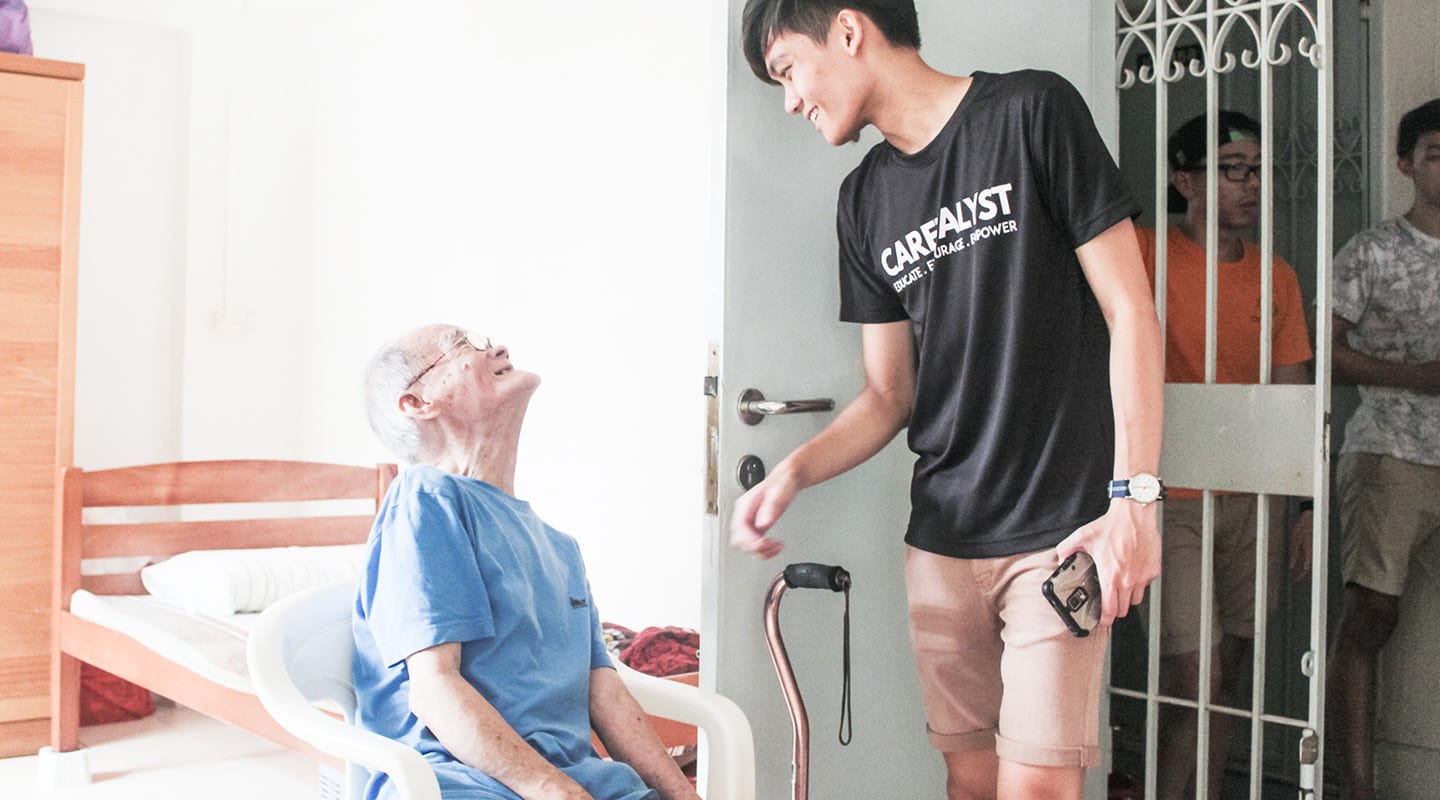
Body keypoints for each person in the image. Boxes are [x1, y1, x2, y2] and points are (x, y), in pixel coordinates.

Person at [731, 3, 1165, 799]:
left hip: (1058, 527)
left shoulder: (1033, 111)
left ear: (849, 30)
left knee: (1037, 787)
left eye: (789, 69)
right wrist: (791, 473)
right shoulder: (862, 202)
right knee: (969, 783)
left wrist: (1136, 496)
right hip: (941, 542)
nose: (790, 100)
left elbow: (1131, 311)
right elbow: (889, 394)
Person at [353, 324, 700, 800]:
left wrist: (684, 795)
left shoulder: (560, 547)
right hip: (455, 783)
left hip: (576, 783)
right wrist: (556, 791)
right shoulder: (426, 497)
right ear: (418, 403)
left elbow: (605, 692)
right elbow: (434, 688)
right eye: (462, 345)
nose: (496, 347)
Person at [1137, 111, 1315, 799]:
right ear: (1185, 180)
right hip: (1168, 495)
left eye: (1257, 170)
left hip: (1253, 496)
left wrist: (1299, 503)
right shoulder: (1148, 254)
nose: (1250, 184)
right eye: (1231, 168)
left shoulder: (1276, 278)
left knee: (1229, 674)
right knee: (1195, 677)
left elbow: (1290, 394)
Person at [1327, 97, 1440, 800]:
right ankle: (1357, 786)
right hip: (1390, 450)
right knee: (1372, 613)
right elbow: (1325, 354)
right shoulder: (1372, 249)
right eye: (1436, 154)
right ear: (1407, 164)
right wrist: (1416, 378)